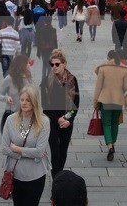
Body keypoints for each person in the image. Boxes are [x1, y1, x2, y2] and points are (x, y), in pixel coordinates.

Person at [1, 85, 50, 206]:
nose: (24, 103)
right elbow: (5, 148)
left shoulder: (44, 122)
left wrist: (17, 149)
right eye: (22, 99)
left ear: (34, 101)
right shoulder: (10, 120)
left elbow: (39, 151)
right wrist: (30, 153)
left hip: (36, 175)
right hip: (15, 174)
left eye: (28, 100)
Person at [41, 49, 80, 178]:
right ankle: (56, 178)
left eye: (57, 64)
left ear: (64, 64)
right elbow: (45, 106)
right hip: (52, 122)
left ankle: (59, 174)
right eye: (52, 65)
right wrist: (58, 119)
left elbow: (76, 104)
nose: (54, 67)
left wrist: (68, 119)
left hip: (67, 122)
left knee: (63, 151)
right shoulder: (46, 81)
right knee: (55, 151)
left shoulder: (72, 80)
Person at [93, 49, 127, 161]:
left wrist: (95, 102)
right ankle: (113, 143)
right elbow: (126, 88)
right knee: (115, 123)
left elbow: (98, 88)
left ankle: (109, 146)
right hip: (118, 101)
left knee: (106, 124)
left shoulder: (103, 69)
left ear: (108, 58)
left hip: (105, 101)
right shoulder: (124, 70)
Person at [0, 55, 32, 133]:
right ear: (22, 65)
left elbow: (33, 92)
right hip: (12, 114)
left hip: (26, 115)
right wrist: (6, 98)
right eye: (27, 63)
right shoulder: (9, 78)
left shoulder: (28, 77)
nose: (29, 65)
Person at [35, 16, 58, 81]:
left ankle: (43, 79)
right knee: (49, 64)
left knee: (44, 64)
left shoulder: (41, 30)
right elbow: (55, 41)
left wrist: (38, 52)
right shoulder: (53, 30)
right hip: (51, 48)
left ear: (45, 22)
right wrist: (56, 50)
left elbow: (39, 42)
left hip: (43, 49)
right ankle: (48, 79)